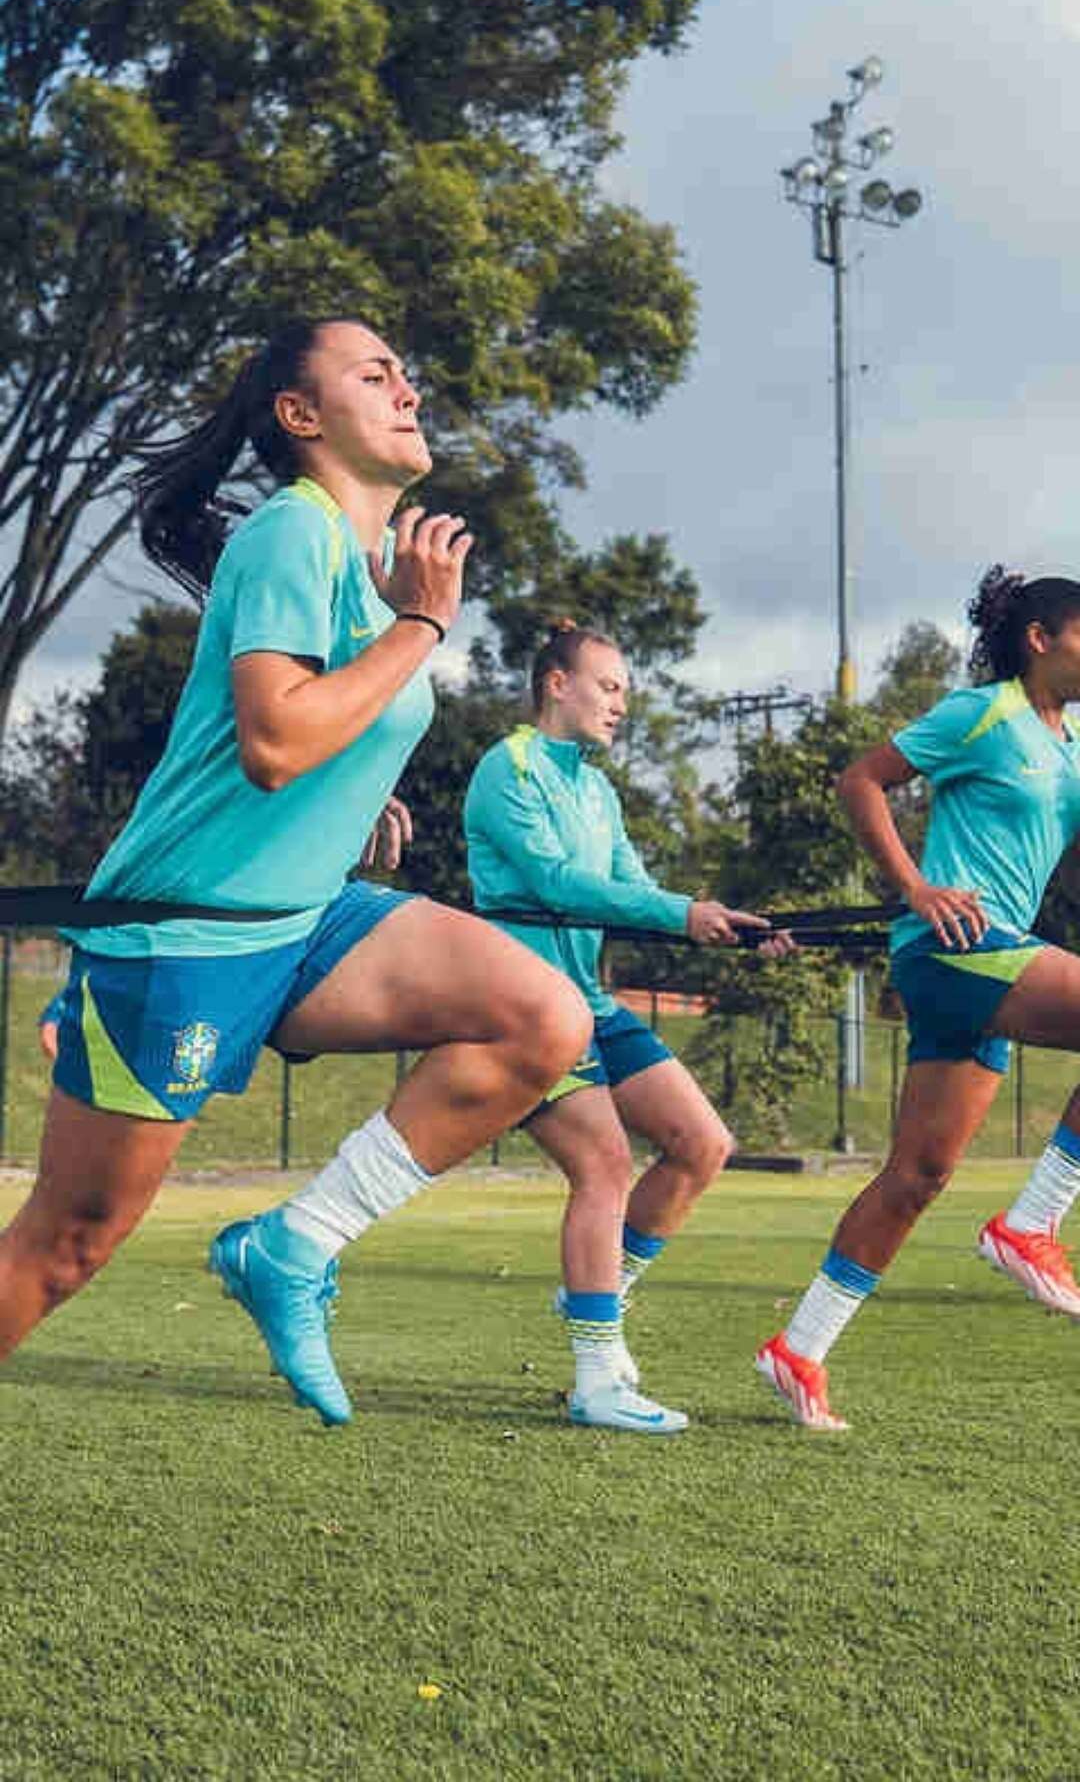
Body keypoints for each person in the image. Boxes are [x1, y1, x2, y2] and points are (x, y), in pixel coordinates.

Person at [0, 316, 592, 1428]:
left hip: (303, 922)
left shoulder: (359, 574)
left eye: (406, 374)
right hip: (186, 938)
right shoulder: (291, 534)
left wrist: (360, 788)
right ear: (301, 416)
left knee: (541, 1019)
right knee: (64, 1247)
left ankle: (292, 1244)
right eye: (377, 375)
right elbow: (276, 741)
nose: (409, 391)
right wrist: (421, 625)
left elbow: (317, 734)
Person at [756, 566, 1080, 1431]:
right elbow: (861, 780)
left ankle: (799, 1351)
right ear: (1040, 638)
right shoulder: (983, 712)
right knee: (924, 1175)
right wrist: (914, 889)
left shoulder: (1066, 741)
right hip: (954, 952)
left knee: (918, 1175)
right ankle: (1032, 1221)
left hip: (989, 966)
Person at [465, 622, 796, 1432]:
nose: (620, 705)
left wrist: (731, 929)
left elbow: (631, 891)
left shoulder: (597, 789)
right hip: (525, 1007)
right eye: (608, 687)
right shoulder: (506, 769)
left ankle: (598, 1293)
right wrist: (683, 914)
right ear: (556, 684)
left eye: (624, 692)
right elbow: (557, 882)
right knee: (607, 1168)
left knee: (703, 1145)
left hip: (592, 1001)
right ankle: (596, 1381)